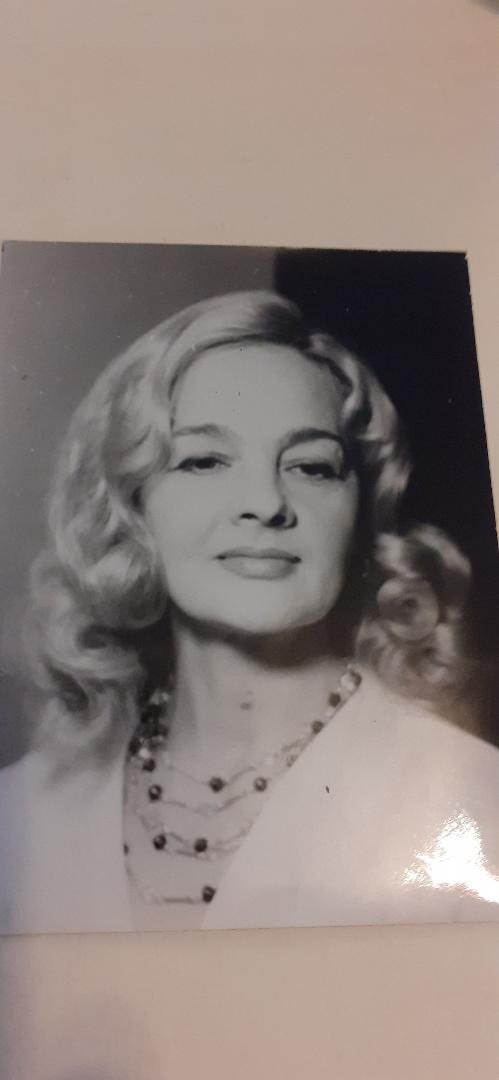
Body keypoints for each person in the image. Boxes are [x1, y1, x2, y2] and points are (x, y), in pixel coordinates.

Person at [1, 289, 499, 934]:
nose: (266, 503)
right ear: (129, 505)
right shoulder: (23, 816)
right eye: (205, 460)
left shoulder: (474, 804)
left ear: (361, 513)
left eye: (311, 467)